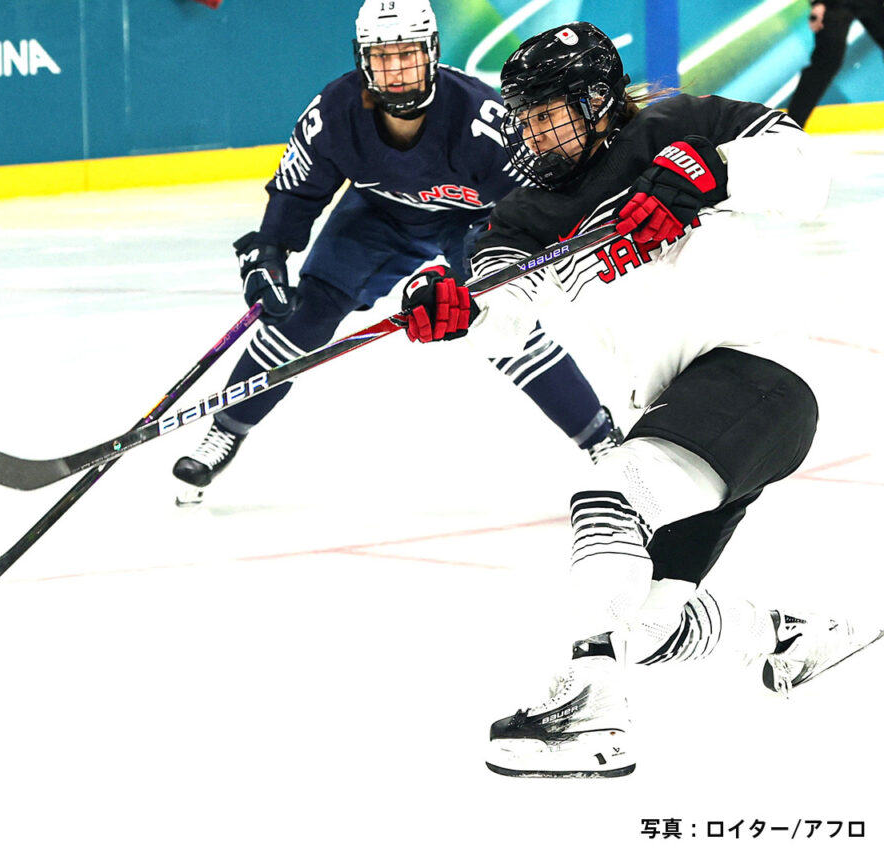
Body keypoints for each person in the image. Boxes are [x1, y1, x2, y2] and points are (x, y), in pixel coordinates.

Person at [398, 21, 882, 777]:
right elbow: (504, 305)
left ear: (596, 101)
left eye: (546, 110)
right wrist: (449, 305)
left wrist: (712, 170)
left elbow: (804, 173)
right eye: (522, 114)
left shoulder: (678, 124)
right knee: (648, 622)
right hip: (677, 417)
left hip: (758, 376)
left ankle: (592, 705)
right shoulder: (523, 217)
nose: (529, 129)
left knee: (606, 490)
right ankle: (793, 638)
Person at [170, 0, 621, 506]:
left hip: (475, 222)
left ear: (432, 52)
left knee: (501, 323)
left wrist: (504, 272)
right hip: (379, 215)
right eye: (384, 58)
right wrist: (270, 251)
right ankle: (227, 430)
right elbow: (299, 189)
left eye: (408, 55)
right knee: (305, 315)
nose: (398, 72)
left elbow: (532, 202)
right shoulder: (336, 112)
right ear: (364, 61)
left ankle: (602, 442)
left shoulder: (482, 121)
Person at [787, 0, 884, 128]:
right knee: (826, 61)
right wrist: (817, 3)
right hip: (833, 4)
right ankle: (790, 126)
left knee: (826, 62)